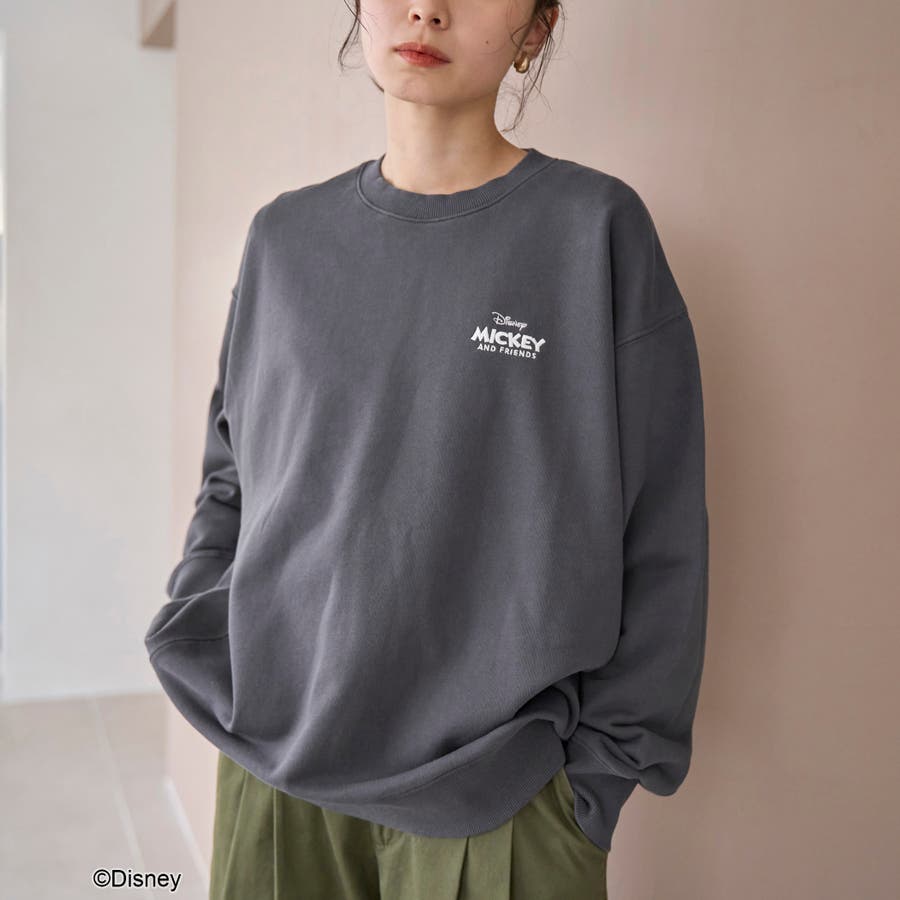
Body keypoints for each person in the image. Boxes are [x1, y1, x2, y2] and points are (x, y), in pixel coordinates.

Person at [144, 2, 709, 898]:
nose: (427, 8)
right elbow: (235, 477)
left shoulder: (592, 229)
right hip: (274, 770)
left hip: (502, 797)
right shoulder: (283, 239)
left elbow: (663, 525)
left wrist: (597, 781)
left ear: (537, 28)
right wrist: (199, 626)